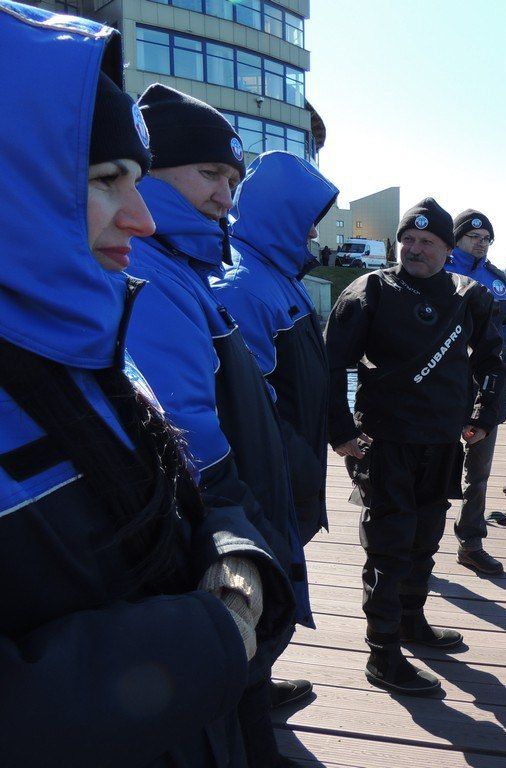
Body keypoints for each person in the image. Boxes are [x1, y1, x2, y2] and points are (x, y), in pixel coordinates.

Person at [0, 8, 290, 765]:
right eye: (104, 180)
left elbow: (190, 486)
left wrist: (235, 552)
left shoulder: (88, 349)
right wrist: (216, 632)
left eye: (136, 179)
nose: (143, 219)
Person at [126, 84, 311, 766]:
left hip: (237, 509)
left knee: (242, 699)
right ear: (147, 170)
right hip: (217, 517)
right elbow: (183, 423)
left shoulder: (184, 266)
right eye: (209, 173)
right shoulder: (151, 272)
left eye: (233, 179)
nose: (225, 194)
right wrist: (239, 518)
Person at [325, 198, 506, 696]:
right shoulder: (371, 290)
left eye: (428, 242)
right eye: (408, 239)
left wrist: (483, 416)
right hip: (384, 445)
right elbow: (329, 363)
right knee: (388, 548)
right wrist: (341, 432)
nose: (415, 248)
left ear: (448, 250)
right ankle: (382, 654)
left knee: (425, 540)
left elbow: (493, 361)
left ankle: (411, 622)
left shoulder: (469, 295)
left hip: (441, 443)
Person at [211, 151, 340, 546]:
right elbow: (247, 409)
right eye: (310, 220)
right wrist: (300, 468)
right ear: (280, 213)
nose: (314, 234)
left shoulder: (278, 273)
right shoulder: (241, 286)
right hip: (272, 485)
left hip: (290, 477)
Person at [445, 209, 506, 576]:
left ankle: (470, 543)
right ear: (455, 239)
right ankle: (412, 546)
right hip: (441, 385)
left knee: (479, 471)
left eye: (486, 237)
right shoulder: (436, 272)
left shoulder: (501, 284)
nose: (480, 242)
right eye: (473, 236)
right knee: (430, 464)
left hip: (485, 387)